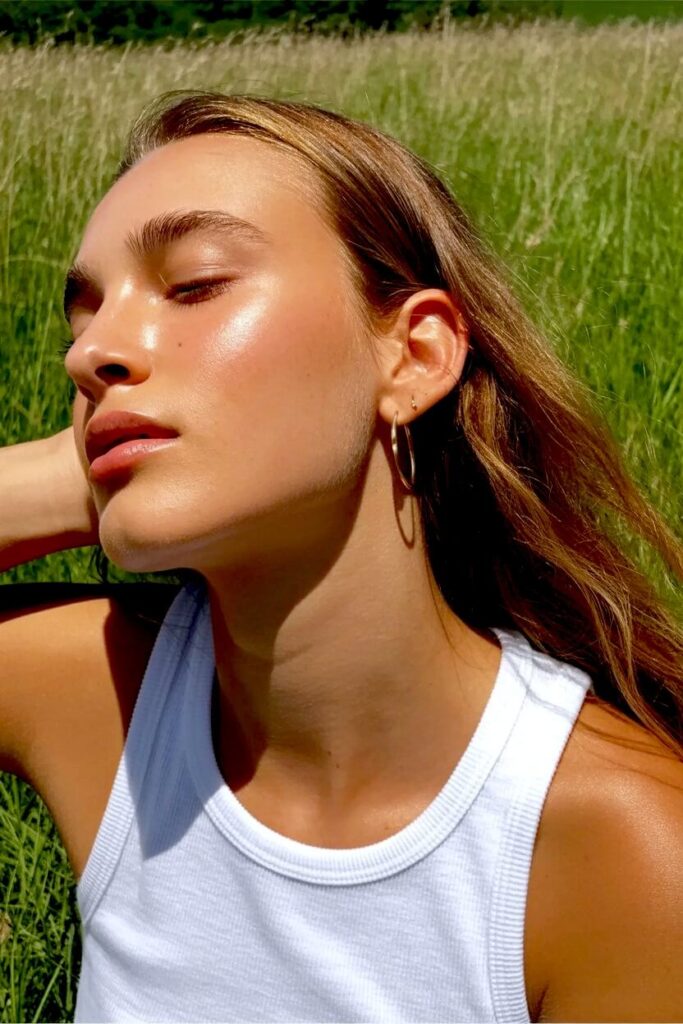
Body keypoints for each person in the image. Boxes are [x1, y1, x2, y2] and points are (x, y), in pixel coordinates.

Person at [1, 90, 681, 1024]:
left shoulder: (620, 846)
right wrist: (73, 474)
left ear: (414, 357)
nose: (92, 355)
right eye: (82, 323)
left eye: (194, 284)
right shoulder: (105, 698)